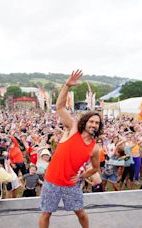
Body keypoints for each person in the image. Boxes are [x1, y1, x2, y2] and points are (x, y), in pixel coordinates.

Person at [39, 70, 102, 228]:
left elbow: (96, 168)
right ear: (85, 122)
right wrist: (67, 86)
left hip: (71, 185)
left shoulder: (95, 148)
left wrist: (82, 176)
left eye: (97, 123)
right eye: (91, 121)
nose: (94, 124)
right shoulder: (73, 128)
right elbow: (60, 107)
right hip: (52, 180)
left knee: (80, 213)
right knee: (46, 214)